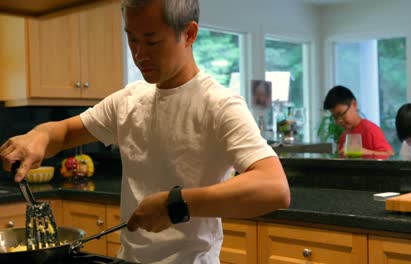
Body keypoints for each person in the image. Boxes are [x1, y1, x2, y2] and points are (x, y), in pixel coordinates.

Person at [0, 0, 290, 263]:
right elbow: (62, 132)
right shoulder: (128, 100)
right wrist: (37, 136)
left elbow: (273, 187)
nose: (139, 54)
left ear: (189, 34)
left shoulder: (219, 105)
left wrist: (175, 203)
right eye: (132, 38)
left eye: (151, 42)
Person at [323, 85, 394, 156]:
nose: (339, 121)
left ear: (354, 104)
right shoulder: (344, 137)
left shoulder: (370, 130)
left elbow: (389, 155)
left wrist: (363, 152)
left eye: (342, 114)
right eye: (335, 117)